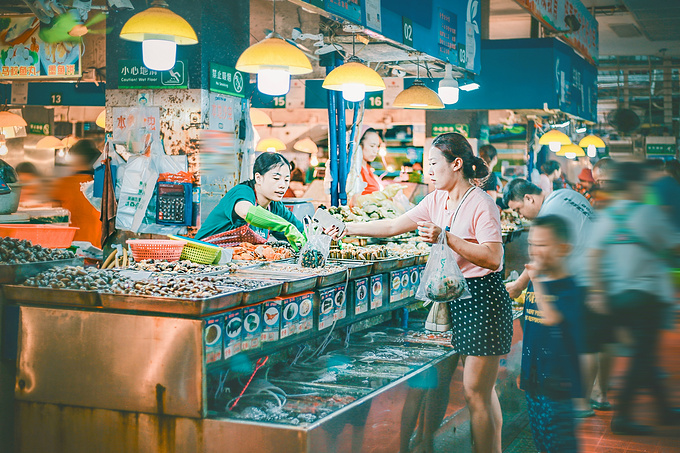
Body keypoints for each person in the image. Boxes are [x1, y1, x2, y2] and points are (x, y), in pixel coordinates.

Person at [345, 133, 512, 453]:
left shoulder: (481, 203)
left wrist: (445, 238)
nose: (428, 171)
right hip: (458, 299)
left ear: (457, 164)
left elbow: (493, 258)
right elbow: (393, 226)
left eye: (434, 164)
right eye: (427, 165)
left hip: (484, 299)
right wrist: (346, 228)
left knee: (475, 392)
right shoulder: (436, 200)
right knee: (482, 391)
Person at [587, 161, 680, 435]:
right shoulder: (648, 214)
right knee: (642, 355)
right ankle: (623, 416)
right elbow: (674, 244)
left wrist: (598, 292)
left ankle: (664, 408)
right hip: (646, 296)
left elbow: (594, 256)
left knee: (644, 353)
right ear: (636, 185)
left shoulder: (609, 215)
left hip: (618, 298)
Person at [502, 179, 601, 417]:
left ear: (530, 199)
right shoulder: (563, 195)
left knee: (581, 344)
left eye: (518, 210)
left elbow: (542, 257)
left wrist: (518, 285)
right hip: (594, 273)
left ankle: (580, 403)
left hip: (582, 278)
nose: (522, 216)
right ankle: (587, 397)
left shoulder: (550, 212)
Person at [521, 215, 585, 453]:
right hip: (534, 380)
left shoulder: (569, 288)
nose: (535, 251)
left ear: (563, 249)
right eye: (531, 244)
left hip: (559, 386)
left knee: (559, 444)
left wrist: (535, 280)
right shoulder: (535, 281)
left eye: (542, 245)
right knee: (541, 441)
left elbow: (551, 317)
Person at [195, 152, 306, 251]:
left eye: (286, 180)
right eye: (276, 178)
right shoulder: (242, 192)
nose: (283, 185)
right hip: (202, 259)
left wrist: (316, 235)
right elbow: (245, 211)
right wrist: (285, 226)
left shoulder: (275, 207)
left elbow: (301, 232)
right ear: (258, 178)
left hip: (235, 265)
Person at [50, 139, 102, 246]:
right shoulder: (102, 183)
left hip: (71, 246)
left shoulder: (62, 184)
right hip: (100, 247)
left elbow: (54, 219)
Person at [359, 128, 384, 195]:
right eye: (372, 146)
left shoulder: (367, 168)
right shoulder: (355, 171)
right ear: (359, 146)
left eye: (377, 146)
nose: (375, 151)